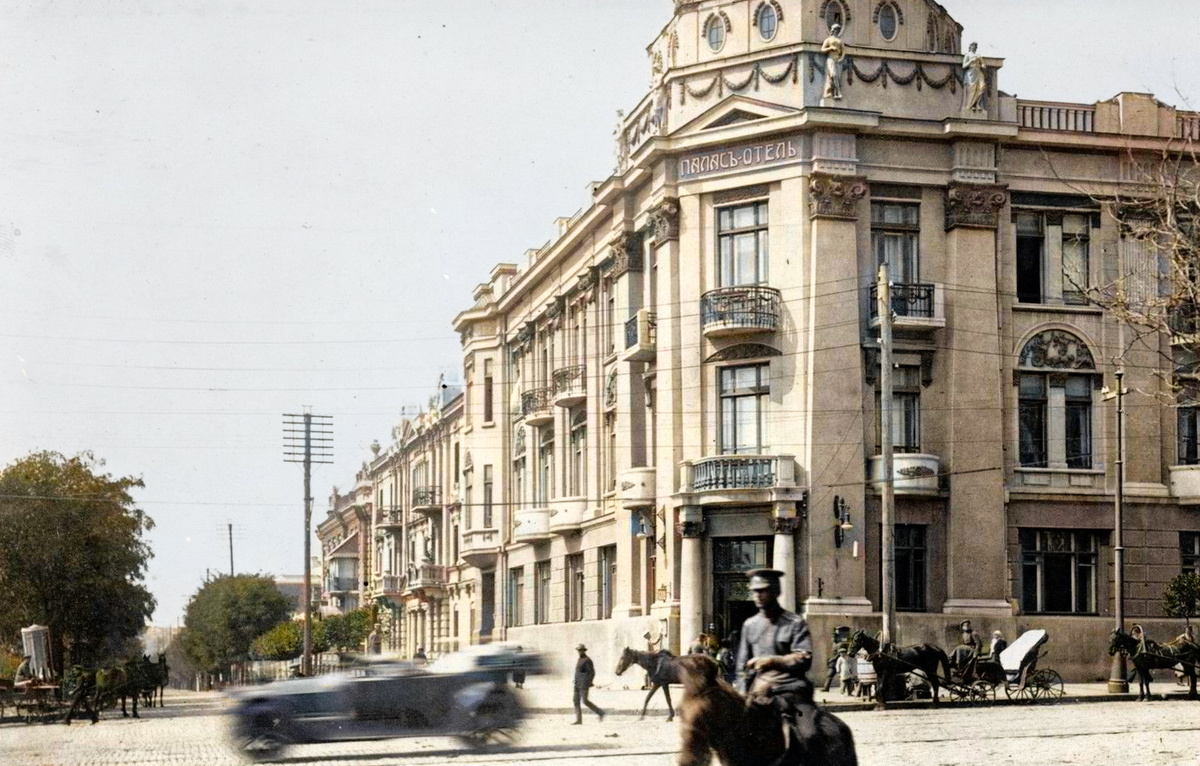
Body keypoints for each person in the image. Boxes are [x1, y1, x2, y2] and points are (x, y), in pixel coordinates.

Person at [736, 569, 814, 708]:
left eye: (762, 591)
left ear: (775, 591)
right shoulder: (750, 625)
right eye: (754, 591)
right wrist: (742, 692)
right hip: (759, 689)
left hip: (791, 689)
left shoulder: (795, 623)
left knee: (809, 730)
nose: (757, 596)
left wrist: (771, 661)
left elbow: (804, 658)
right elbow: (742, 667)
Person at [572, 644, 605, 724]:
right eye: (579, 650)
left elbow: (592, 673)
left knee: (585, 701)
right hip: (577, 684)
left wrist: (589, 682)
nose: (580, 652)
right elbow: (578, 672)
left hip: (583, 684)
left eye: (581, 650)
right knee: (576, 701)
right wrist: (575, 680)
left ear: (584, 650)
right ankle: (579, 720)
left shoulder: (587, 660)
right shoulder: (579, 659)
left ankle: (600, 712)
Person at [821, 24, 846, 101]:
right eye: (836, 30)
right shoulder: (828, 40)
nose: (837, 31)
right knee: (833, 75)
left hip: (837, 60)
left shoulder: (840, 41)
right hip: (831, 58)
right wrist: (831, 48)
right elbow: (822, 49)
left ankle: (835, 93)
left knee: (837, 77)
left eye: (838, 30)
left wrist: (841, 58)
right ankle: (837, 92)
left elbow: (843, 51)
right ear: (833, 30)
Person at [963, 42, 988, 113]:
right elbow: (964, 66)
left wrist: (983, 65)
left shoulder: (978, 55)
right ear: (970, 47)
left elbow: (982, 63)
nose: (974, 47)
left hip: (978, 71)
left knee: (982, 87)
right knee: (972, 89)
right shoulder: (967, 55)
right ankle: (971, 105)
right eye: (973, 46)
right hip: (971, 72)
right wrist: (970, 61)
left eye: (975, 46)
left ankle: (977, 103)